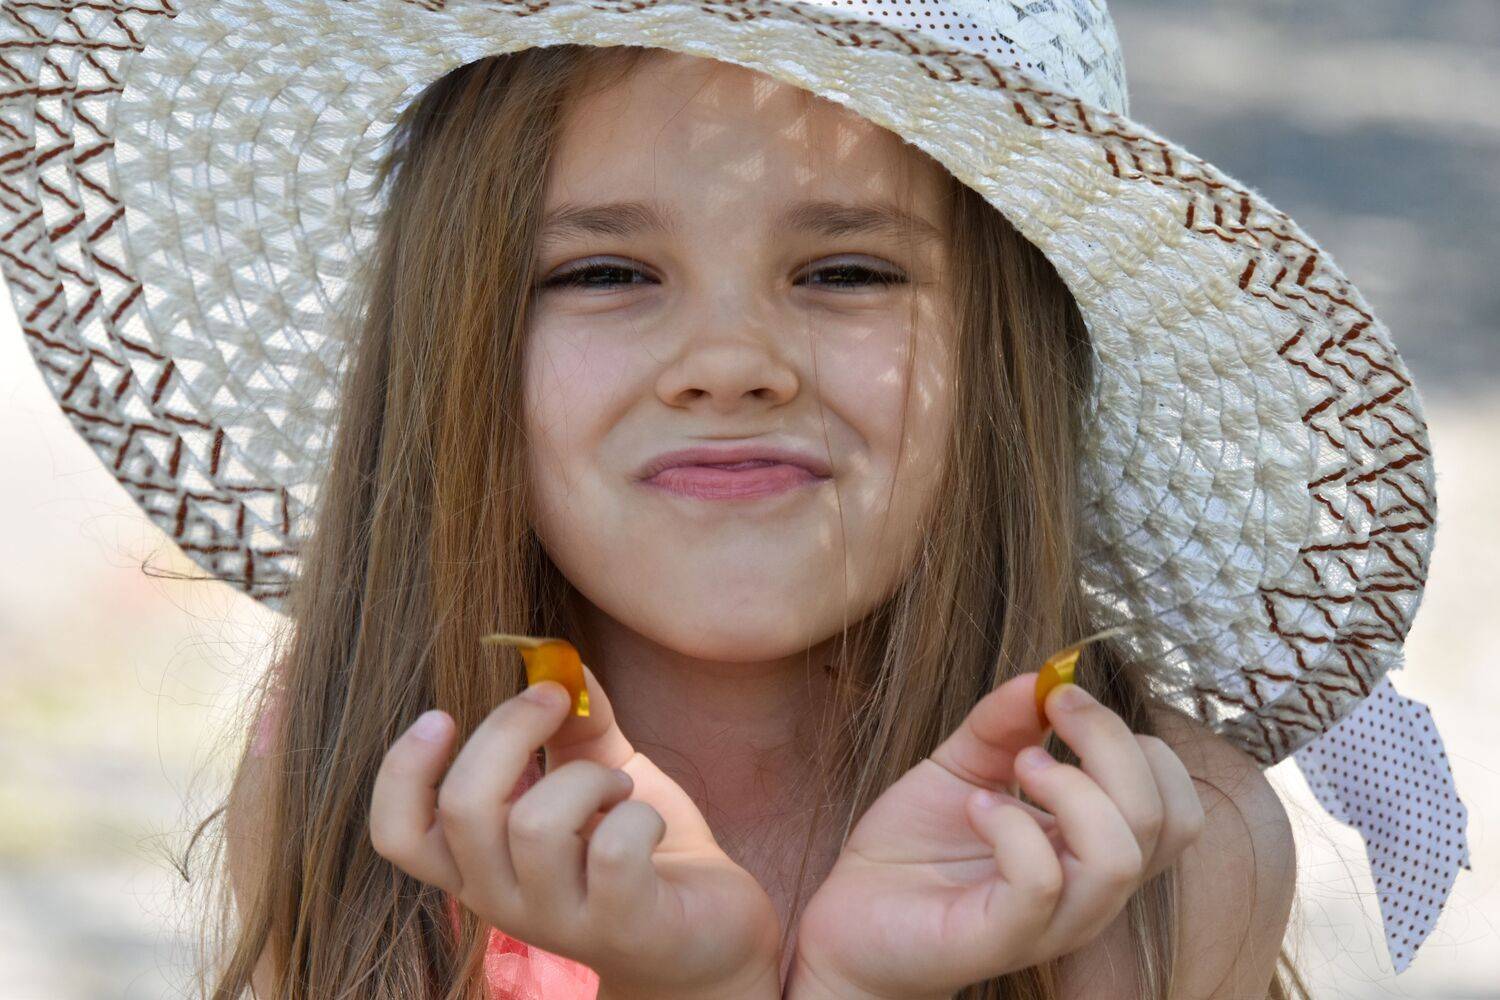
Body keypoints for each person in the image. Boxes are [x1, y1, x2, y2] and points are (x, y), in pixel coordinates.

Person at [0, 1, 1462, 998]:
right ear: (459, 354)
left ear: (1010, 360)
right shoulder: (377, 780)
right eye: (602, 272)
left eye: (846, 271)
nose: (729, 362)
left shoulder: (1158, 852)